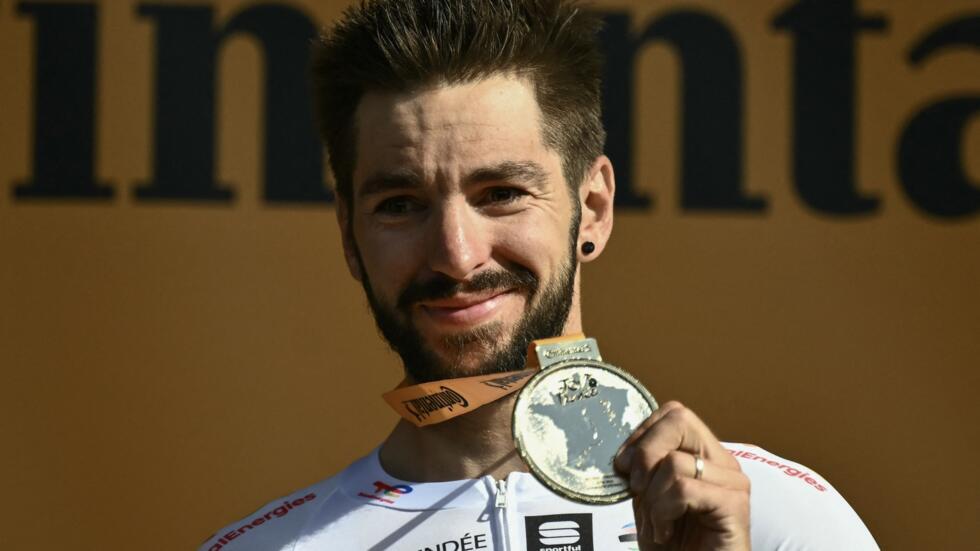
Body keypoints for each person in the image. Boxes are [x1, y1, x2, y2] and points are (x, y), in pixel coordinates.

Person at [200, 1, 878, 549]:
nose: (457, 256)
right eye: (400, 205)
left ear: (593, 208)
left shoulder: (772, 521)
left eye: (501, 193)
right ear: (349, 235)